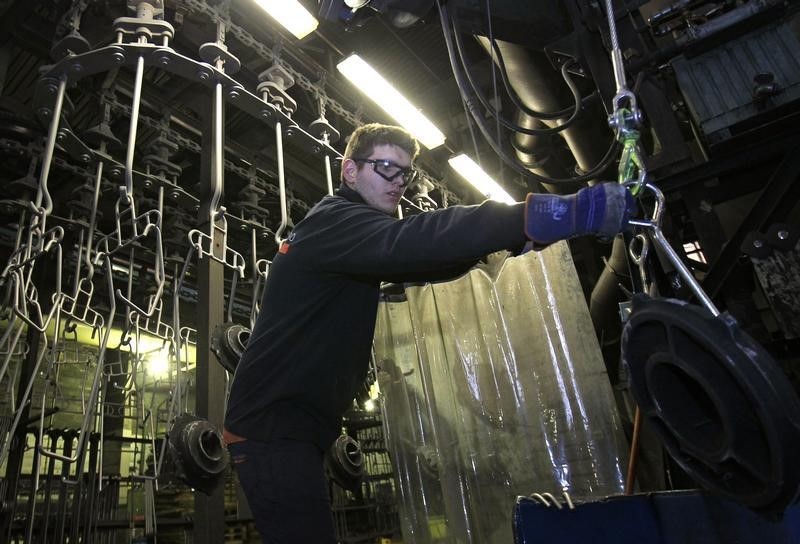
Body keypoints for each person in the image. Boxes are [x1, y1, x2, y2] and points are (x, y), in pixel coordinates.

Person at [224, 123, 634, 543]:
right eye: (385, 167)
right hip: (271, 428)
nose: (398, 182)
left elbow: (427, 262)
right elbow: (418, 240)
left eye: (405, 173)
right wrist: (543, 215)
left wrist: (514, 239)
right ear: (350, 171)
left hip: (293, 427)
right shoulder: (333, 222)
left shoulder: (352, 234)